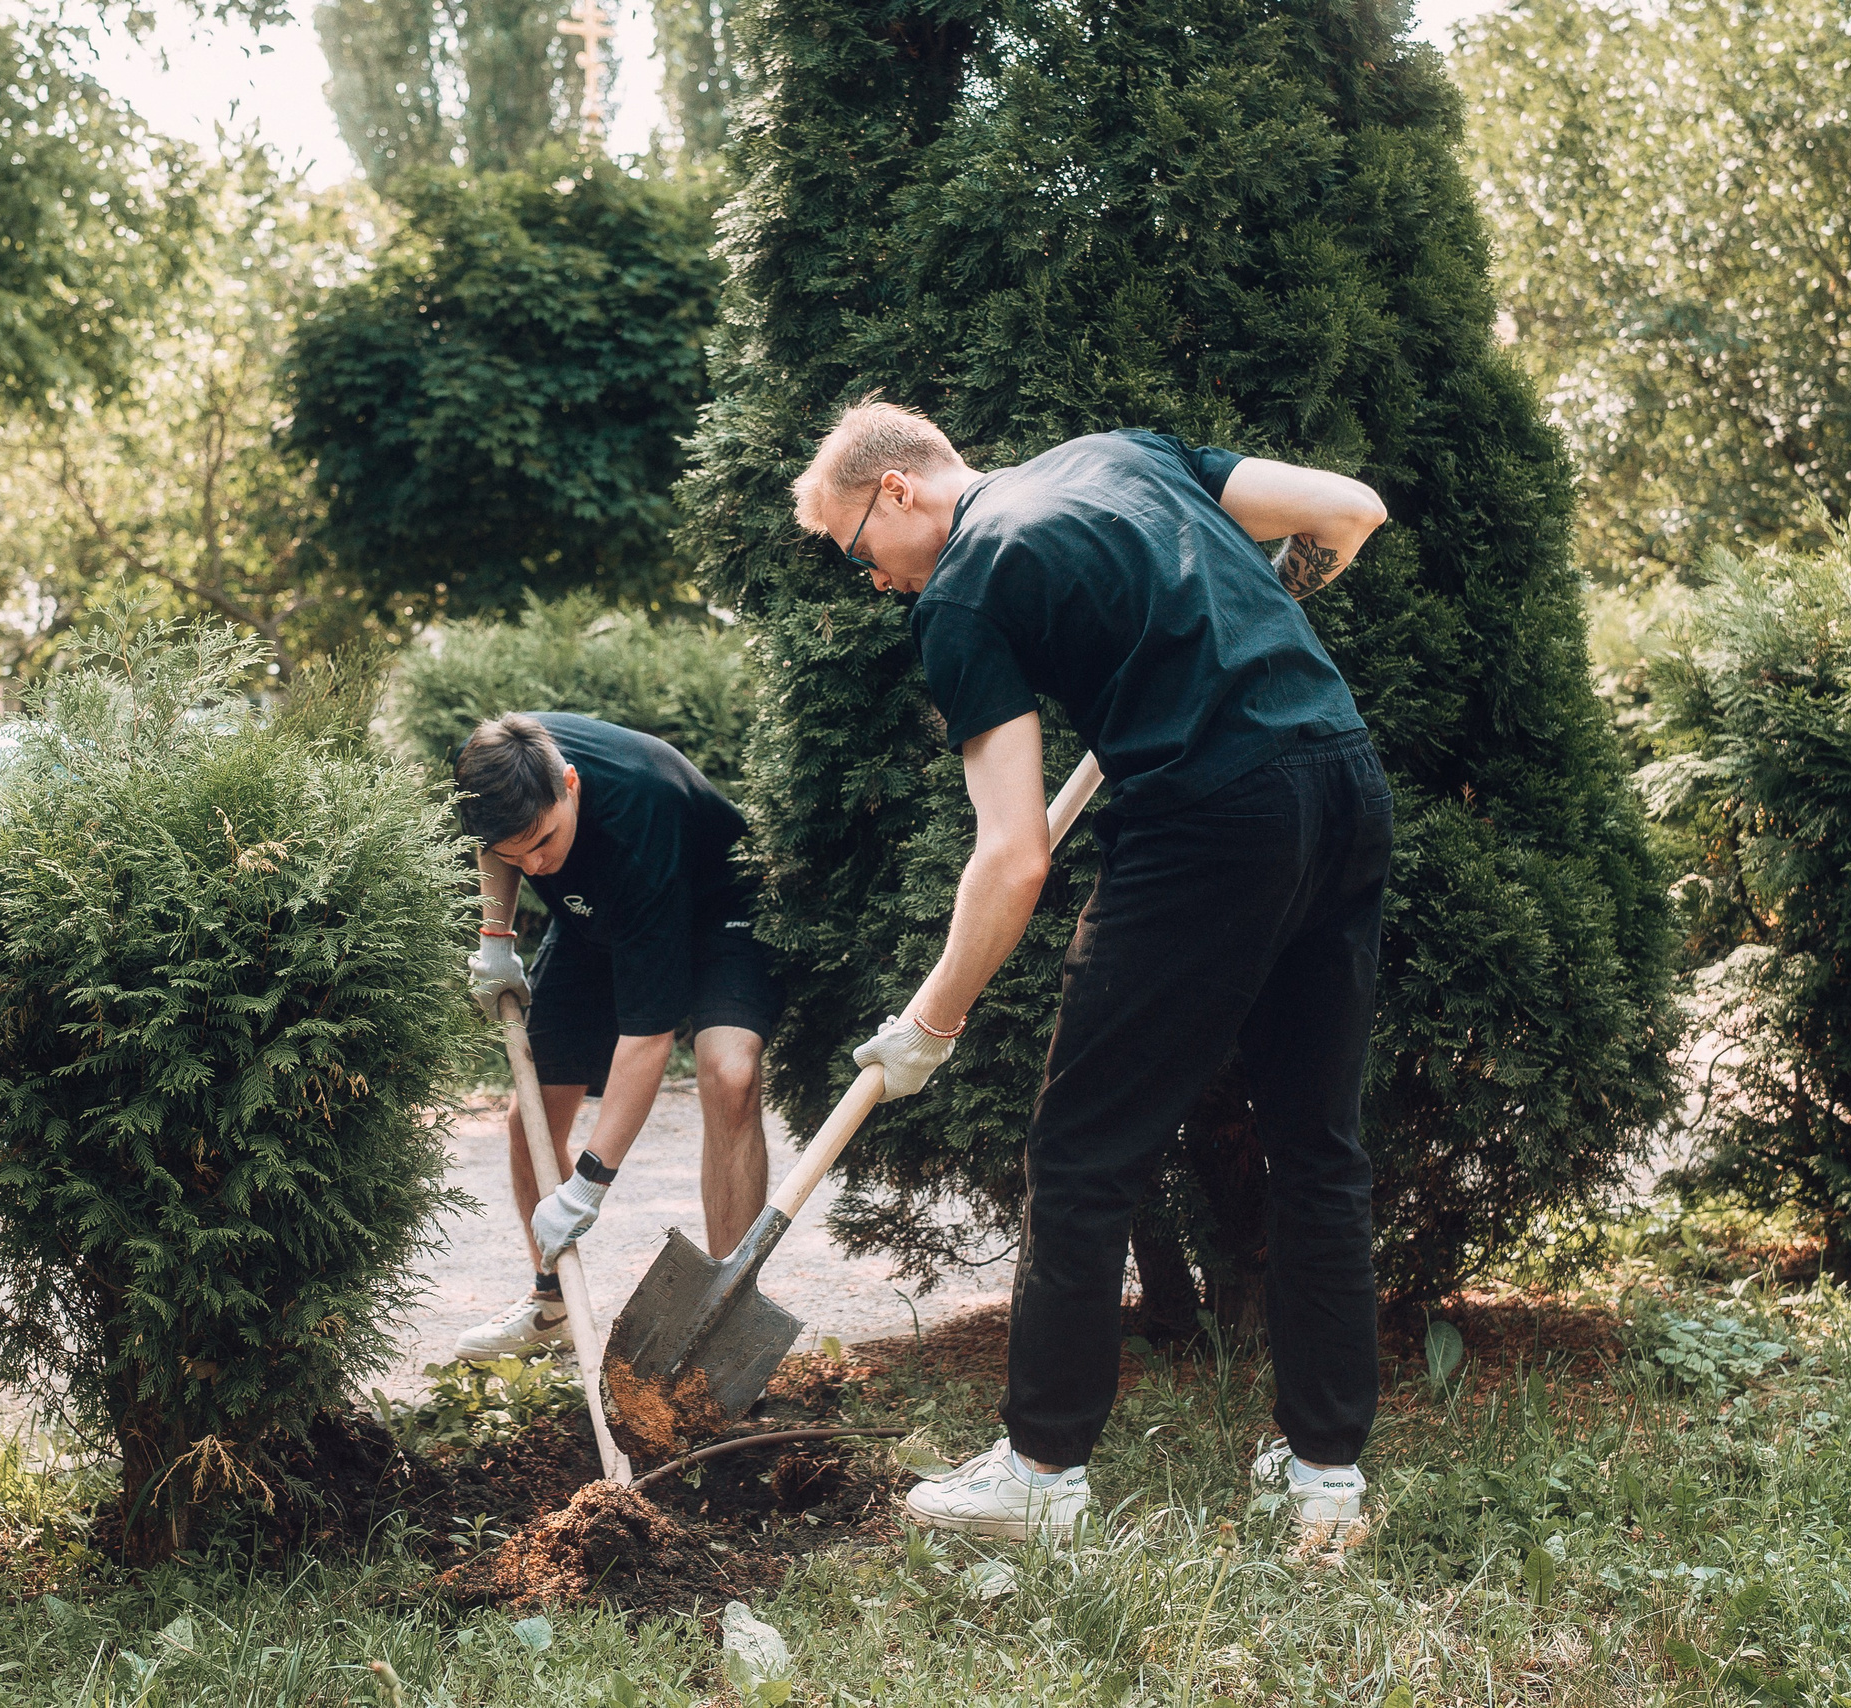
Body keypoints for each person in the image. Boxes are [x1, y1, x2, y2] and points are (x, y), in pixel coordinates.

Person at [794, 398, 1392, 1546]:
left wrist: (933, 1021)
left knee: (1080, 1154)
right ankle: (1325, 1479)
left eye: (859, 554)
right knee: (1318, 1147)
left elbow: (1013, 854)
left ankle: (1039, 1473)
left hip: (1209, 826)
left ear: (900, 489)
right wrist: (1295, 578)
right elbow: (1348, 510)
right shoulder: (1117, 456)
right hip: (1340, 777)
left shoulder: (965, 588)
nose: (874, 584)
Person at [450, 711, 781, 1360]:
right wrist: (497, 937)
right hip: (599, 917)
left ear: (570, 784)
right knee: (532, 1119)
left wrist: (590, 1185)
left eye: (544, 840)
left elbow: (648, 1039)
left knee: (729, 1072)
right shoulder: (490, 770)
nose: (537, 865)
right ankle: (554, 1308)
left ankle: (728, 1319)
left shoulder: (639, 816)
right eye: (520, 854)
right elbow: (497, 843)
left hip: (719, 907)